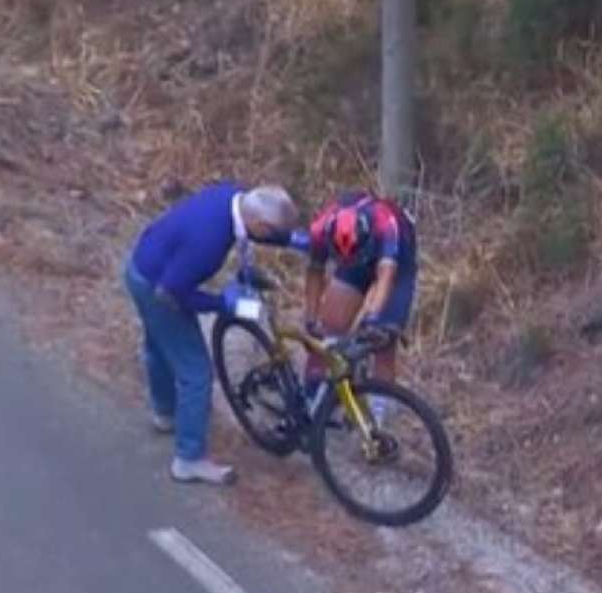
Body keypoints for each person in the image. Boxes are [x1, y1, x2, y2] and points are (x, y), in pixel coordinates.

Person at [124, 182, 300, 485]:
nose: (273, 238)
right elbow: (170, 293)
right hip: (157, 288)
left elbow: (262, 230)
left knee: (160, 346)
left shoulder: (235, 197)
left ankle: (165, 413)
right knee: (196, 374)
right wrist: (221, 304)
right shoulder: (209, 240)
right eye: (274, 234)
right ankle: (188, 459)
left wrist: (298, 241)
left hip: (142, 263)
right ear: (260, 225)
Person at [297, 189, 418, 423]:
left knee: (383, 340)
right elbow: (315, 271)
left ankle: (376, 418)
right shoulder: (321, 228)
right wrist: (311, 318)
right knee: (327, 330)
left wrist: (373, 319)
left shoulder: (387, 226)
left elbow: (386, 277)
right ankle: (311, 401)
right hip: (354, 258)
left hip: (397, 259)